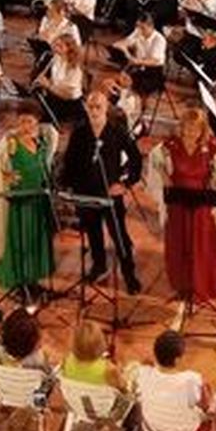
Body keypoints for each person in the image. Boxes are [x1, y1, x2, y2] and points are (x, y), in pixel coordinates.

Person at [147, 108, 216, 305]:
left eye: (195, 129)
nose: (190, 132)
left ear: (202, 129)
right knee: (179, 246)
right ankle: (183, 287)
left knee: (201, 248)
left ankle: (200, 288)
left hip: (201, 208)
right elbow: (154, 159)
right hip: (178, 204)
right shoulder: (171, 145)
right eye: (187, 128)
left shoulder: (211, 146)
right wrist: (164, 177)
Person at [55, 91, 143, 293]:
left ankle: (129, 274)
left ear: (106, 108)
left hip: (110, 192)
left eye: (98, 107)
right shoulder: (80, 133)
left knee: (119, 234)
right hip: (85, 191)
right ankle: (98, 265)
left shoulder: (117, 131)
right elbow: (70, 162)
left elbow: (135, 158)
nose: (94, 111)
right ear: (86, 107)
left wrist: (126, 183)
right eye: (91, 106)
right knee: (93, 232)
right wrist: (67, 187)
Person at [0, 111, 56, 299]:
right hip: (21, 198)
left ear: (37, 122)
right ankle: (21, 282)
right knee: (22, 240)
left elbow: (54, 137)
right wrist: (5, 176)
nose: (26, 126)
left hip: (39, 199)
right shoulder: (11, 143)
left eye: (30, 121)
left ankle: (33, 279)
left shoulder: (41, 142)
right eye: (22, 122)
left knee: (36, 240)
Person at [133, 330, 209, 431]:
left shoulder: (143, 373)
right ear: (177, 360)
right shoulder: (191, 378)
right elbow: (205, 406)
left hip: (153, 427)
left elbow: (144, 364)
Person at [62, 320, 123, 390]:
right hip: (104, 400)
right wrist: (119, 371)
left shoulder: (66, 361)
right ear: (100, 344)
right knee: (134, 367)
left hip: (75, 399)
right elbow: (122, 389)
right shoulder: (108, 369)